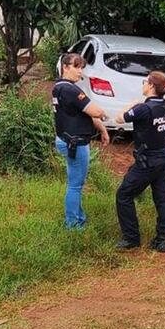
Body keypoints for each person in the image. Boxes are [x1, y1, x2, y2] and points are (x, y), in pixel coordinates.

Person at [114, 71, 165, 253]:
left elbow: (119, 119)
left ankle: (131, 238)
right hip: (163, 159)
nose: (143, 84)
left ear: (151, 86)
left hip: (147, 162)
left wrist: (131, 105)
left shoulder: (144, 108)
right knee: (161, 198)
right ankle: (162, 240)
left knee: (124, 195)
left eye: (145, 82)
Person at [52, 53, 109, 230]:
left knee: (75, 183)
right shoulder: (70, 90)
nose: (80, 72)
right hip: (75, 143)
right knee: (76, 185)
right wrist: (104, 114)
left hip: (66, 139)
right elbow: (94, 111)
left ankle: (78, 217)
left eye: (81, 67)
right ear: (65, 67)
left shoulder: (59, 88)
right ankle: (73, 224)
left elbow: (83, 113)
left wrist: (103, 129)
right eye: (76, 67)